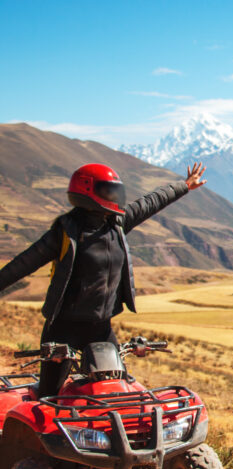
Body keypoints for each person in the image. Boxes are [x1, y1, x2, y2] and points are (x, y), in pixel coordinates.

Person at [0, 161, 207, 396]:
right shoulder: (65, 232)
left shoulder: (117, 223)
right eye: (108, 191)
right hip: (63, 329)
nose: (114, 196)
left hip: (101, 328)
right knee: (49, 396)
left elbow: (150, 202)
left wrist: (184, 186)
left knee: (114, 393)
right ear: (87, 193)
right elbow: (23, 264)